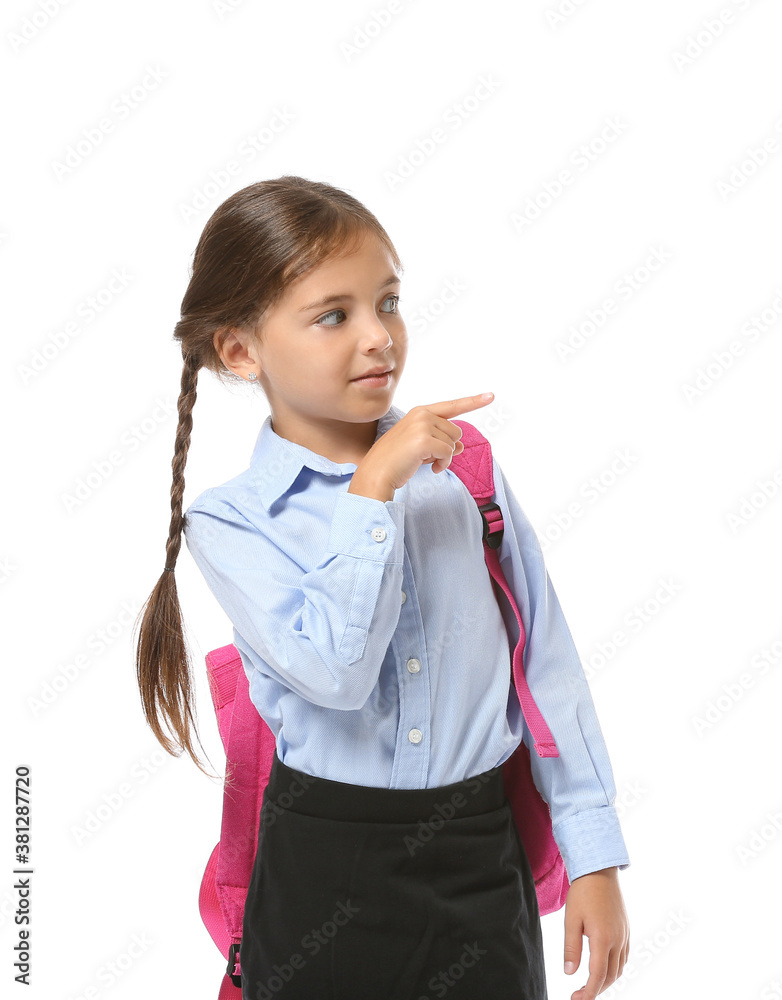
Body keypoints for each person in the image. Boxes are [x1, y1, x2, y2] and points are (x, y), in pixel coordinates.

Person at [134, 175, 631, 1000]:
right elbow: (335, 671)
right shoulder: (233, 524)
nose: (379, 337)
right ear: (239, 350)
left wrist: (596, 854)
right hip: (326, 867)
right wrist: (372, 494)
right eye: (333, 315)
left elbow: (545, 662)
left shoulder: (463, 471)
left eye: (388, 301)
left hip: (479, 852)